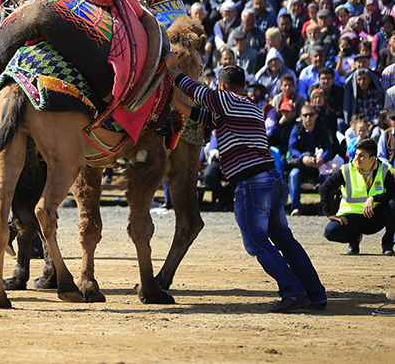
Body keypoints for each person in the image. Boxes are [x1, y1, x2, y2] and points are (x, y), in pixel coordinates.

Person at [167, 59, 327, 313]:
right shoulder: (248, 106)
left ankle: (293, 290)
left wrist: (173, 70)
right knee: (285, 240)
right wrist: (175, 103)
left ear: (221, 86)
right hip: (270, 180)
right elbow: (201, 114)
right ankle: (316, 294)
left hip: (252, 183)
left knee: (256, 241)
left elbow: (197, 93)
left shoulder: (227, 100)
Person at [320, 138, 395, 256]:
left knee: (394, 204)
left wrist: (374, 198)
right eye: (356, 154)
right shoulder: (346, 170)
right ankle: (354, 240)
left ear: (372, 159)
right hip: (350, 217)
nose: (357, 158)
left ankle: (387, 244)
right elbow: (324, 188)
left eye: (361, 156)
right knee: (330, 232)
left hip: (374, 217)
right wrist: (329, 213)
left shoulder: (384, 170)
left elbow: (393, 192)